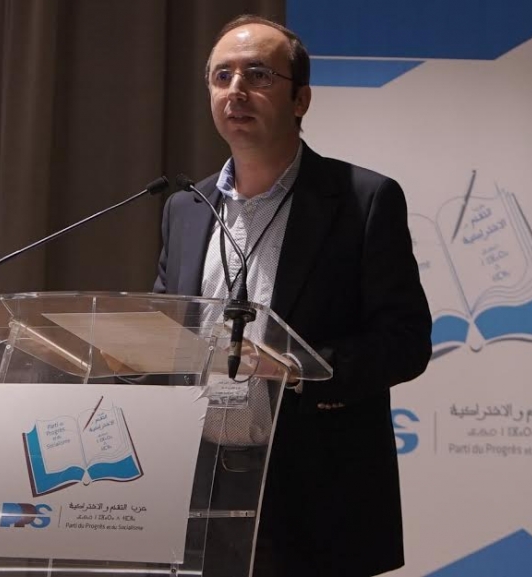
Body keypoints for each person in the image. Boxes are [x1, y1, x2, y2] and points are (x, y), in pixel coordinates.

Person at [153, 14, 433, 577]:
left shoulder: (363, 200)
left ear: (301, 99)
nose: (236, 90)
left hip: (314, 496)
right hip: (195, 489)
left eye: (258, 75)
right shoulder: (186, 208)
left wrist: (298, 368)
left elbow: (405, 342)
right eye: (222, 76)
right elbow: (168, 328)